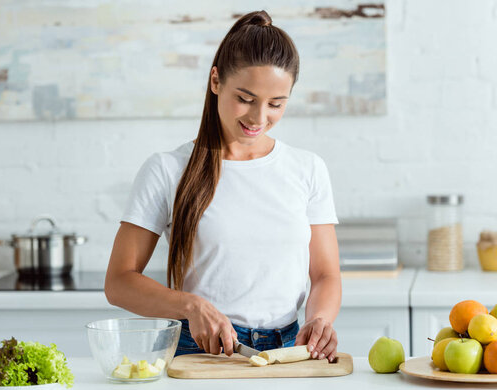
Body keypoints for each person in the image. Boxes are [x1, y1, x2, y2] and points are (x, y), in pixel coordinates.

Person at [105, 10, 341, 363]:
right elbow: (119, 282)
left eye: (276, 104)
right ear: (216, 80)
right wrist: (189, 304)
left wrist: (319, 320)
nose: (259, 118)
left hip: (289, 352)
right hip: (198, 351)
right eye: (245, 98)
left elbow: (325, 274)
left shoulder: (307, 169)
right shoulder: (168, 170)